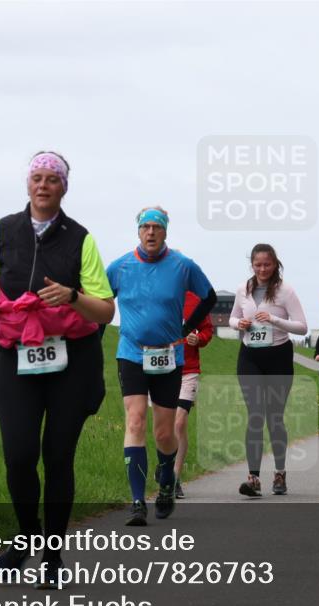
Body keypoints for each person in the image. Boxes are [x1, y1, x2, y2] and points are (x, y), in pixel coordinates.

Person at [0, 151, 115, 588]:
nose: (43, 185)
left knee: (57, 456)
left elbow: (105, 310)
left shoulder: (81, 239)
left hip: (73, 357)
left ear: (64, 187)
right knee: (18, 454)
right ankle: (27, 536)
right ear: (27, 185)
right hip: (17, 353)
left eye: (53, 179)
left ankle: (52, 552)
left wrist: (71, 297)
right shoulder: (3, 230)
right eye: (37, 177)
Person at [106, 207, 217, 526]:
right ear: (138, 232)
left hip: (169, 357)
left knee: (164, 431)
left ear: (166, 232)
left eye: (156, 227)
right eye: (145, 227)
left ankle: (166, 477)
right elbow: (101, 302)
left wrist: (186, 328)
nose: (151, 232)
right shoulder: (120, 267)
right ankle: (138, 502)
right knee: (136, 421)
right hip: (131, 353)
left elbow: (209, 298)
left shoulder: (183, 266)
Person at [229, 244, 308, 496]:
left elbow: (302, 327)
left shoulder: (286, 291)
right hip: (250, 357)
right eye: (258, 264)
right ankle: (253, 478)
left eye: (267, 264)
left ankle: (280, 473)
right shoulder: (243, 289)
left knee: (274, 418)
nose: (262, 269)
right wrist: (238, 323)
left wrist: (274, 319)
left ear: (275, 264)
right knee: (255, 416)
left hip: (278, 357)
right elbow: (232, 318)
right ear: (251, 264)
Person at [172, 291, 214, 499]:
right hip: (160, 370)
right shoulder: (154, 294)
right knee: (164, 427)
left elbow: (207, 330)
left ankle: (174, 478)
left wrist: (198, 338)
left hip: (188, 370)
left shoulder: (194, 300)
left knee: (179, 424)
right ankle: (165, 467)